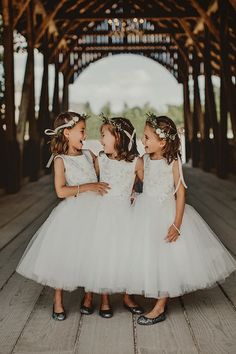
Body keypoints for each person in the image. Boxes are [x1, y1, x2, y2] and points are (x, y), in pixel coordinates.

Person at [126, 114, 236, 326]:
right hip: (145, 210)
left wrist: (177, 223)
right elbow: (139, 181)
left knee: (167, 256)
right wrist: (132, 193)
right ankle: (142, 292)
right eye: (143, 137)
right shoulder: (145, 160)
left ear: (163, 141)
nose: (143, 141)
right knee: (146, 253)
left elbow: (181, 194)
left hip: (167, 212)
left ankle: (160, 305)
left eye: (147, 137)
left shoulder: (173, 161)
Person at [16, 111, 109, 321]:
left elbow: (103, 177)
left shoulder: (89, 154)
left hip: (95, 210)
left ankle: (89, 295)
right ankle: (57, 300)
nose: (85, 135)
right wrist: (88, 186)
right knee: (63, 254)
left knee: (93, 252)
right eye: (82, 131)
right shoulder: (60, 160)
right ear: (67, 133)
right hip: (73, 212)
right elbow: (61, 191)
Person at [81, 116, 144, 318]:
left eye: (103, 135)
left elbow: (149, 186)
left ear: (118, 137)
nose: (100, 140)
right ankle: (104, 298)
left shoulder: (136, 161)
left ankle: (127, 295)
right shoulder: (101, 159)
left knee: (128, 254)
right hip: (103, 212)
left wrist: (137, 196)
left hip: (126, 213)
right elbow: (91, 181)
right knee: (102, 253)